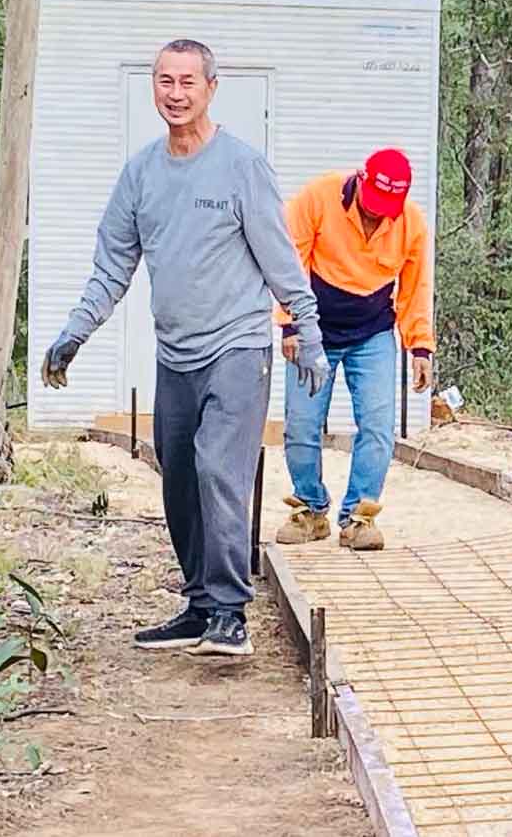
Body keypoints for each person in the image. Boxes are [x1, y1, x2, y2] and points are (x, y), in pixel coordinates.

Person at [40, 39, 330, 656]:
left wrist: (307, 332)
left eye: (187, 82)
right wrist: (74, 333)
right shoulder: (141, 174)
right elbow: (112, 267)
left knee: (217, 469)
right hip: (175, 355)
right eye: (164, 81)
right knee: (178, 480)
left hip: (238, 348)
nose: (175, 94)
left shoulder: (241, 167)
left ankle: (230, 613)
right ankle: (200, 606)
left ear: (211, 88)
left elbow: (282, 261)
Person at [274, 149, 434, 550]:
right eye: (373, 201)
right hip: (314, 329)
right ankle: (311, 510)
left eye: (387, 207)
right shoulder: (317, 198)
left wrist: (420, 347)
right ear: (360, 180)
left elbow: (415, 289)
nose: (377, 212)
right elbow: (290, 264)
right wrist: (291, 325)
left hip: (372, 332)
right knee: (302, 424)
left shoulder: (411, 223)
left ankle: (359, 517)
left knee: (378, 426)